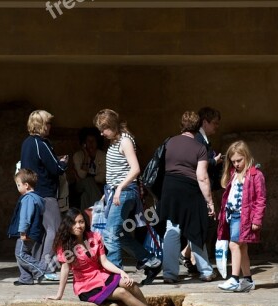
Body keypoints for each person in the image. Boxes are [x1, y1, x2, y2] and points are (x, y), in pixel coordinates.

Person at [47, 209, 172, 306]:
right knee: (122, 292)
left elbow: (104, 262)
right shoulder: (64, 245)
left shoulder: (94, 237)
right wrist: (59, 295)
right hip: (86, 287)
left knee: (129, 283)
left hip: (101, 276)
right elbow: (65, 269)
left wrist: (121, 272)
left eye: (81, 222)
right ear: (68, 225)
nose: (78, 226)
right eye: (74, 223)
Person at [93, 109, 161, 278]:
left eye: (104, 129)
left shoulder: (125, 141)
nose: (101, 133)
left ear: (113, 126)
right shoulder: (114, 141)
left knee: (109, 235)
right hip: (115, 192)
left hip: (124, 192)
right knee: (119, 235)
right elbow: (117, 170)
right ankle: (150, 260)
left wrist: (119, 188)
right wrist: (107, 193)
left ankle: (116, 277)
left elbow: (135, 169)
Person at [157, 111, 217, 283]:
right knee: (195, 229)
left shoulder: (169, 142)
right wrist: (210, 202)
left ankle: (169, 274)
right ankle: (205, 271)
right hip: (190, 189)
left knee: (172, 229)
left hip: (169, 188)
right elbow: (202, 177)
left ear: (181, 124)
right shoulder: (200, 148)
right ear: (198, 126)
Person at [20, 110, 68, 274]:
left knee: (41, 233)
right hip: (45, 193)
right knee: (54, 230)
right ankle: (45, 268)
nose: (50, 126)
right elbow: (55, 169)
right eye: (48, 123)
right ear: (41, 125)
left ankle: (35, 268)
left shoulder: (27, 143)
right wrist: (63, 163)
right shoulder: (42, 143)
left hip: (32, 194)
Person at [216, 141, 267, 292]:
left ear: (246, 156)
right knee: (242, 247)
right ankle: (248, 280)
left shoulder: (255, 175)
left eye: (239, 160)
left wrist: (257, 219)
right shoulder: (233, 174)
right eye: (233, 162)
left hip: (243, 216)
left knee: (234, 245)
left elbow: (260, 199)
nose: (236, 164)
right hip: (231, 215)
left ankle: (234, 279)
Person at [181, 107, 224, 273]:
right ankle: (194, 261)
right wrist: (214, 161)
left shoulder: (203, 138)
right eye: (214, 123)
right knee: (206, 224)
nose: (216, 127)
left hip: (202, 187)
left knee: (208, 224)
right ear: (204, 122)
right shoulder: (198, 138)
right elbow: (198, 164)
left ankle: (187, 254)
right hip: (198, 188)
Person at [7, 169, 55, 286]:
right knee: (23, 254)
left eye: (18, 185)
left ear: (26, 185)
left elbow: (25, 217)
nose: (17, 187)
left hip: (26, 233)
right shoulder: (38, 198)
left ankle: (40, 271)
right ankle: (25, 278)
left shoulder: (28, 199)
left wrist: (23, 231)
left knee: (20, 254)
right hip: (33, 233)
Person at [71, 127, 106, 210]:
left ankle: (87, 219)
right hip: (80, 186)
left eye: (93, 141)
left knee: (85, 196)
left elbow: (102, 178)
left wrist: (89, 177)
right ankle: (100, 210)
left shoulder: (102, 155)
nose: (91, 143)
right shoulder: (78, 155)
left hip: (99, 186)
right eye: (88, 141)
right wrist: (86, 157)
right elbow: (81, 176)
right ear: (84, 143)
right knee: (88, 181)